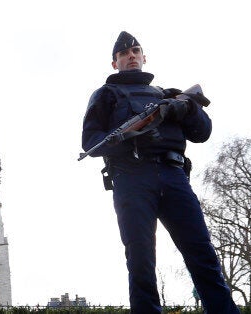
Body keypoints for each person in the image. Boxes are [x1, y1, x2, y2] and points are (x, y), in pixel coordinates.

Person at [81, 31, 240, 314]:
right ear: (114, 63)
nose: (131, 56)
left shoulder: (167, 95)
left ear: (144, 57)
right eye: (123, 54)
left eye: (135, 51)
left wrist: (186, 107)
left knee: (202, 254)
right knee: (140, 259)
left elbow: (202, 133)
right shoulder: (106, 95)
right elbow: (92, 144)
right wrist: (131, 136)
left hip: (174, 175)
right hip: (131, 177)